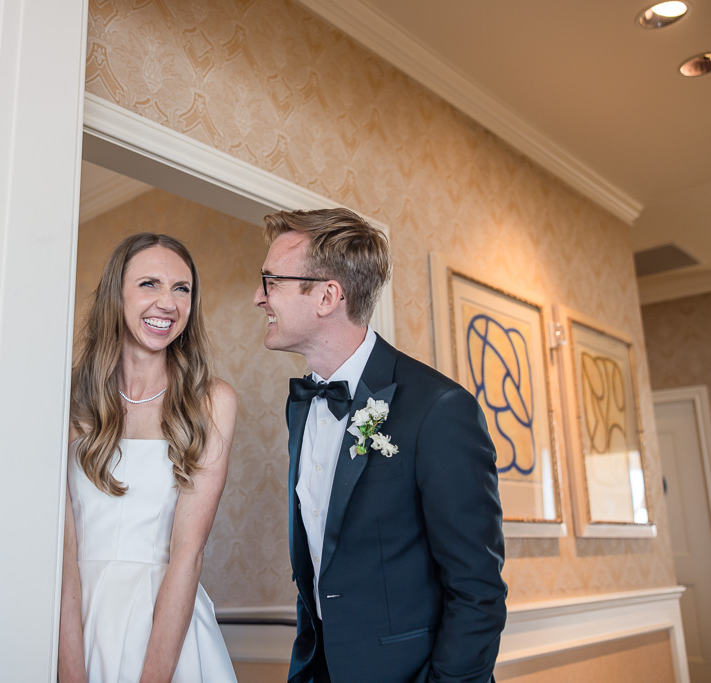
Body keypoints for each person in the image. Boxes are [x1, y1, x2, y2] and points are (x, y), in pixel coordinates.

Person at [252, 208, 506, 683]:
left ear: (328, 295)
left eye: (271, 282)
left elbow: (478, 591)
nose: (257, 298)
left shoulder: (440, 409)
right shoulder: (305, 406)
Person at [59, 233, 238, 683]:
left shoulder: (211, 401)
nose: (168, 303)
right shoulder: (64, 397)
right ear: (115, 294)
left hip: (169, 629)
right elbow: (63, 553)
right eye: (149, 284)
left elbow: (188, 553)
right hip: (74, 620)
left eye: (182, 288)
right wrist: (71, 673)